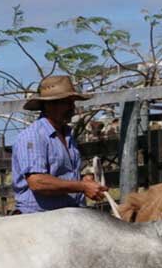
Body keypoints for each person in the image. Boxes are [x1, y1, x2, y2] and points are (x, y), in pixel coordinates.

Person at [11, 75, 107, 214]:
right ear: (50, 105)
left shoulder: (67, 134)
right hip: (39, 217)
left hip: (67, 214)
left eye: (72, 103)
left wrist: (83, 180)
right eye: (66, 103)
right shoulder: (33, 136)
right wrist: (81, 186)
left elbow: (62, 174)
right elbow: (37, 182)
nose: (72, 107)